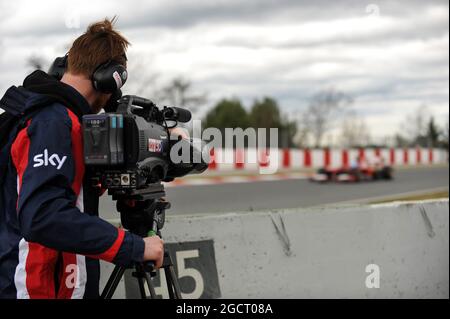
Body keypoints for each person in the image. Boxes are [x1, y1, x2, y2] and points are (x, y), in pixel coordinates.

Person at [0, 18, 164, 299]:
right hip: (35, 289)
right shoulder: (53, 123)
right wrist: (134, 247)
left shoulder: (55, 118)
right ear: (109, 78)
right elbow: (44, 216)